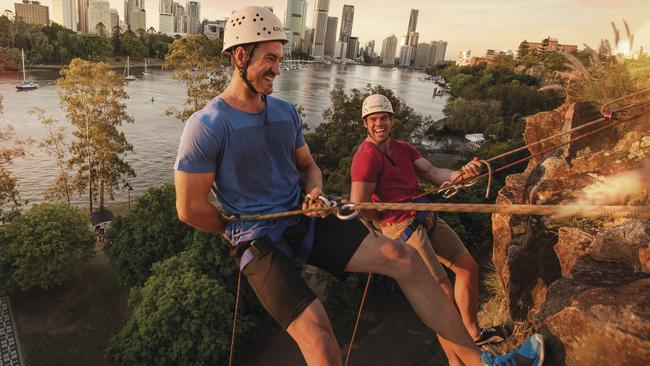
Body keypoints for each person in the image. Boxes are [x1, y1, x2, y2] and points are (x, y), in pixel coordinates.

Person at [173, 5, 544, 366]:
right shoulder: (207, 125)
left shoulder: (284, 112)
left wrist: (314, 192)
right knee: (320, 340)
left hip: (305, 219)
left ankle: (484, 364)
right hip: (257, 239)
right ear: (241, 56)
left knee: (406, 259)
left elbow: (308, 166)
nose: (278, 68)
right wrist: (230, 229)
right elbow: (189, 208)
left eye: (279, 57)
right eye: (270, 58)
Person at [350, 94, 510, 350]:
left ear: (392, 120)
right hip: (400, 227)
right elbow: (359, 205)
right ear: (365, 124)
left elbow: (435, 174)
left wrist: (462, 174)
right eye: (373, 119)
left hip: (423, 214)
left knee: (467, 267)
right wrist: (384, 217)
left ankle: (474, 332)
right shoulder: (366, 157)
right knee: (441, 295)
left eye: (383, 118)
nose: (378, 123)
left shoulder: (404, 148)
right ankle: (458, 359)